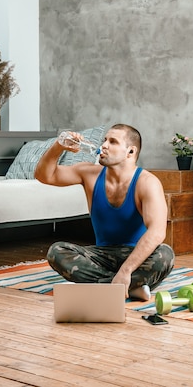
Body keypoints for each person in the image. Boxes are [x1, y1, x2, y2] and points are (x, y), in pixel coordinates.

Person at [34, 124, 175, 301]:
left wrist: (126, 270)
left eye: (113, 142)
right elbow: (44, 176)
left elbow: (157, 232)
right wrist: (59, 146)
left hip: (136, 256)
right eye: (105, 140)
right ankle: (131, 288)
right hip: (101, 255)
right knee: (57, 251)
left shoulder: (147, 182)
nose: (104, 145)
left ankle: (102, 285)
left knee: (165, 255)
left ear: (130, 152)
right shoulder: (89, 174)